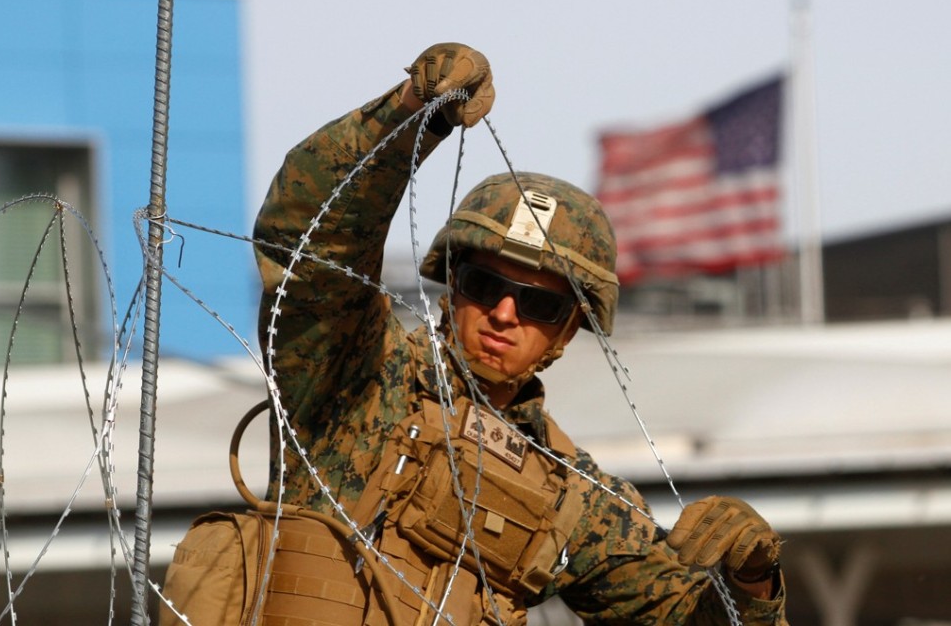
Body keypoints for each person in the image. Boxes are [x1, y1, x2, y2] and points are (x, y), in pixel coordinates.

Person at [241, 43, 787, 625]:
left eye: (539, 303)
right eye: (483, 283)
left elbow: (685, 618)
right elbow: (311, 240)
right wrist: (408, 115)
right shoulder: (359, 372)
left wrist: (751, 577)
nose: (504, 313)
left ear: (570, 330)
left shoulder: (570, 492)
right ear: (451, 283)